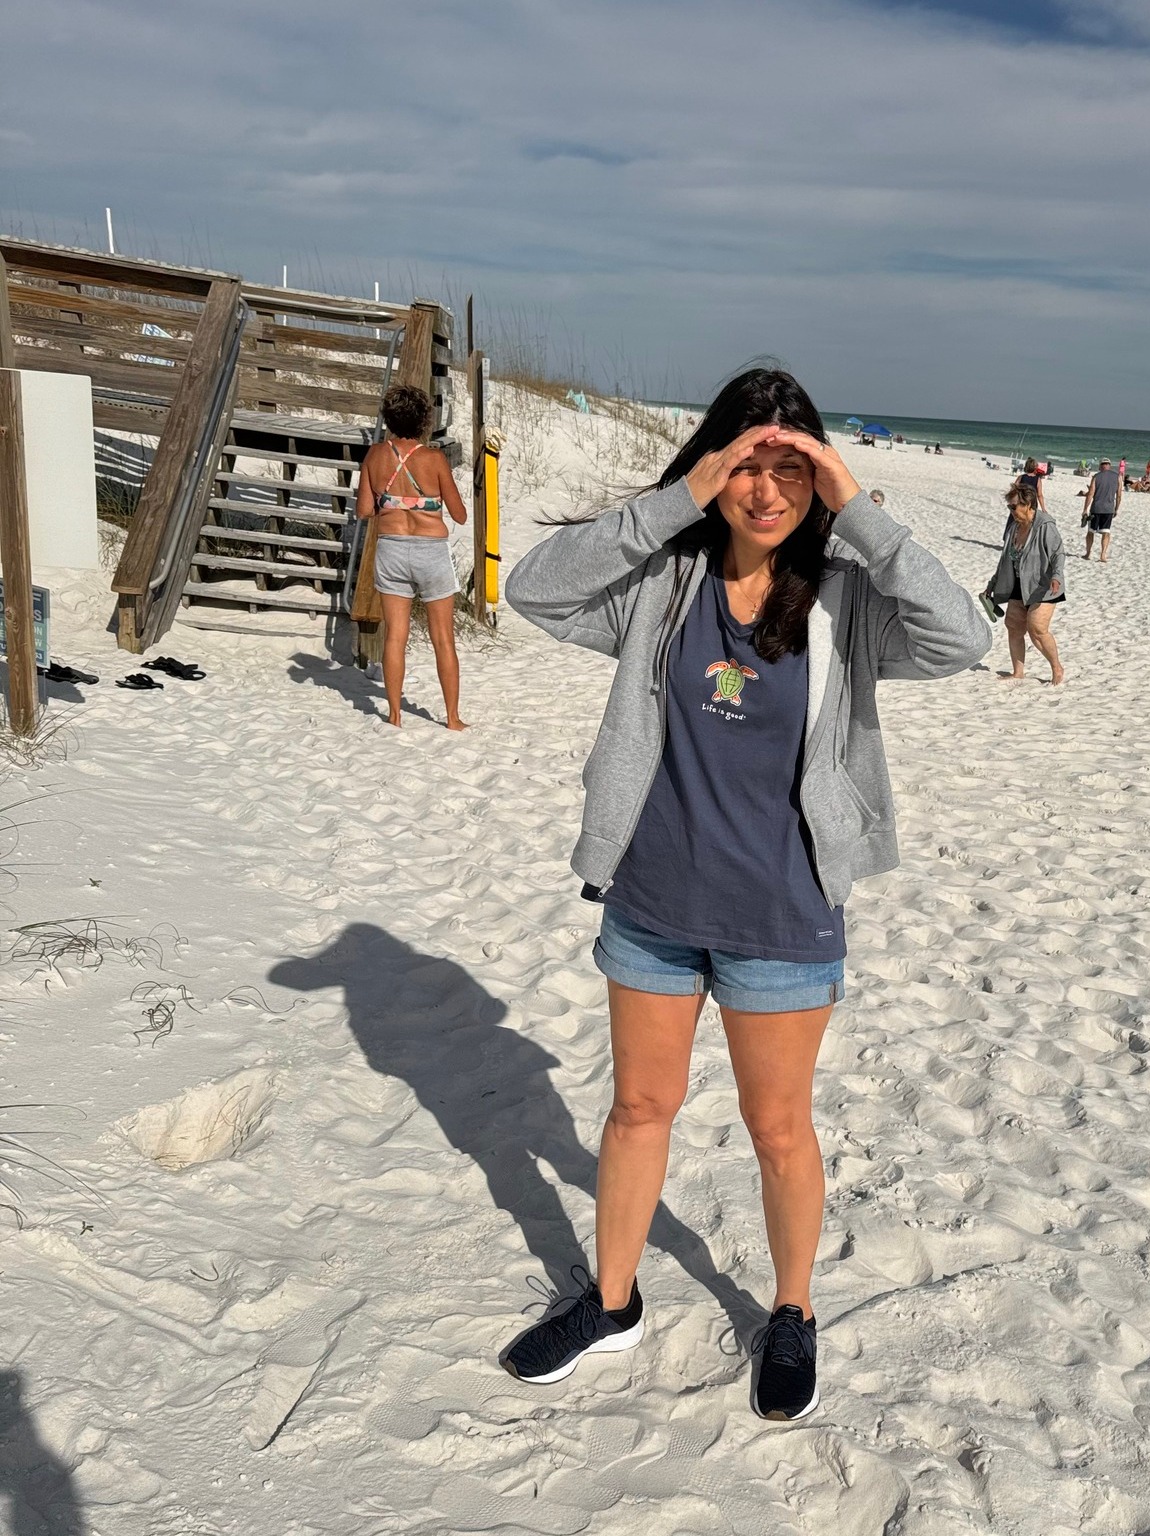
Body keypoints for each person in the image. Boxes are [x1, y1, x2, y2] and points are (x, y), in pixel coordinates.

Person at [500, 368, 988, 1420]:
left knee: (778, 1130)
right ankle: (613, 1300)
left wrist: (859, 510)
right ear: (714, 467)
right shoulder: (663, 583)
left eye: (791, 468)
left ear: (819, 478)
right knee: (639, 1108)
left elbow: (963, 637)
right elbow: (534, 589)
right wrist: (675, 500)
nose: (767, 491)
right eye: (745, 465)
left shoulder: (848, 598)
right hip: (653, 902)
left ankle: (793, 1311)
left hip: (782, 913)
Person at [355, 383, 468, 730]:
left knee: (395, 636)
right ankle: (452, 718)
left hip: (391, 548)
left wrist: (391, 503)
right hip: (430, 551)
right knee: (443, 638)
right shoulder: (433, 459)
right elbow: (460, 515)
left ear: (389, 418)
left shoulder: (374, 456)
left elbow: (364, 510)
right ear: (424, 420)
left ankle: (394, 714)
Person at [985, 480, 1065, 684]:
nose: (1011, 511)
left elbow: (1057, 553)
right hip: (1018, 585)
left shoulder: (1045, 526)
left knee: (1037, 629)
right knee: (1013, 626)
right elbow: (1005, 560)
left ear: (1028, 504)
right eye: (1009, 507)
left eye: (1014, 507)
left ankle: (1056, 668)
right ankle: (1018, 672)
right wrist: (992, 584)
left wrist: (1056, 576)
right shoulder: (1014, 527)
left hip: (1043, 586)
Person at [1083, 457, 1121, 561]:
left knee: (1091, 532)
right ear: (1109, 465)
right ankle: (1103, 555)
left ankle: (1088, 553)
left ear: (1100, 466)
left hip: (1096, 508)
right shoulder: (1118, 477)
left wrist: (1085, 509)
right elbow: (1119, 495)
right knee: (1106, 532)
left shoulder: (1096, 476)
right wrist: (1116, 508)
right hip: (1108, 509)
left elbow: (1090, 493)